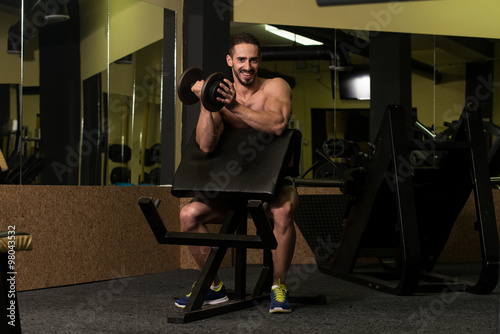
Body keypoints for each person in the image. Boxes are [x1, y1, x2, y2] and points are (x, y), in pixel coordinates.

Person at [175, 32, 298, 314]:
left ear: (260, 61)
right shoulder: (219, 93)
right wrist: (208, 102)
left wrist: (234, 106)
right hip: (232, 186)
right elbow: (206, 145)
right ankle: (214, 287)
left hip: (272, 184)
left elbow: (278, 123)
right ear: (230, 60)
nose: (248, 66)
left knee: (283, 210)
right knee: (188, 215)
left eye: (253, 60)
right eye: (241, 59)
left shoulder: (275, 87)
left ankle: (278, 285)